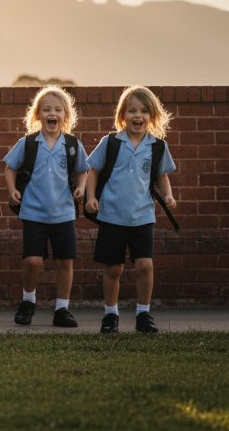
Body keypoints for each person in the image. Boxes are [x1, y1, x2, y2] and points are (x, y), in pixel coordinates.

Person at [85, 85, 177, 334]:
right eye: (132, 110)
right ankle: (110, 314)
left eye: (144, 111)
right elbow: (93, 171)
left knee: (145, 265)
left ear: (153, 116)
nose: (138, 115)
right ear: (122, 115)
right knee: (113, 268)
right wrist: (90, 197)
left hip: (142, 216)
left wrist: (167, 195)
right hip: (112, 216)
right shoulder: (111, 142)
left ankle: (143, 314)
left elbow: (161, 176)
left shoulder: (157, 146)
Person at [3, 86, 89, 328]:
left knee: (65, 262)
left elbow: (83, 170)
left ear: (66, 116)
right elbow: (10, 168)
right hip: (34, 212)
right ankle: (28, 301)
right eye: (47, 109)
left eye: (58, 110)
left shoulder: (72, 145)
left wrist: (81, 188)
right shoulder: (28, 143)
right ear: (38, 115)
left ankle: (62, 308)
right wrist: (12, 190)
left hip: (63, 213)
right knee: (33, 261)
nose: (53, 113)